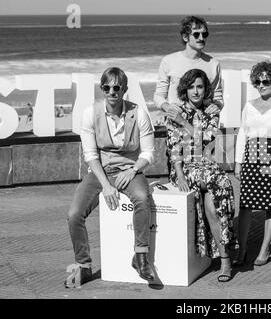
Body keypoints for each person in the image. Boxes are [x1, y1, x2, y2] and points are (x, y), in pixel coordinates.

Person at [65, 67, 156, 288]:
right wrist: (106, 185)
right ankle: (84, 265)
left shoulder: (139, 113)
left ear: (125, 89)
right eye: (107, 87)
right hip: (100, 172)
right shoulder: (90, 113)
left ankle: (140, 256)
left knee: (143, 199)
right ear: (102, 89)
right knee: (74, 214)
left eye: (117, 87)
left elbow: (148, 153)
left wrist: (133, 170)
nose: (112, 91)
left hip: (129, 170)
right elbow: (90, 155)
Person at [165, 69, 235, 282]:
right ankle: (228, 247)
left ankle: (225, 259)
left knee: (214, 206)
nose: (196, 91)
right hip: (185, 168)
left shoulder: (212, 110)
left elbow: (207, 139)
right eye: (191, 87)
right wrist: (181, 176)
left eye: (200, 87)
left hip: (207, 165)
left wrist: (184, 123)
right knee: (215, 182)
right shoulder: (175, 111)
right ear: (185, 89)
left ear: (205, 89)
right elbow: (173, 148)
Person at [234, 61, 271, 266]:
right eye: (257, 81)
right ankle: (241, 249)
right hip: (250, 158)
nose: (261, 85)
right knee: (245, 207)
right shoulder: (249, 106)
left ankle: (264, 248)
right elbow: (243, 133)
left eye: (266, 81)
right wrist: (238, 162)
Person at [154, 16, 223, 120]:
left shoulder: (213, 64)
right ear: (185, 37)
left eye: (204, 34)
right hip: (176, 123)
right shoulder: (168, 61)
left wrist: (217, 106)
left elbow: (218, 97)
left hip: (205, 124)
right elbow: (158, 96)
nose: (201, 38)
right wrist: (168, 108)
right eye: (196, 34)